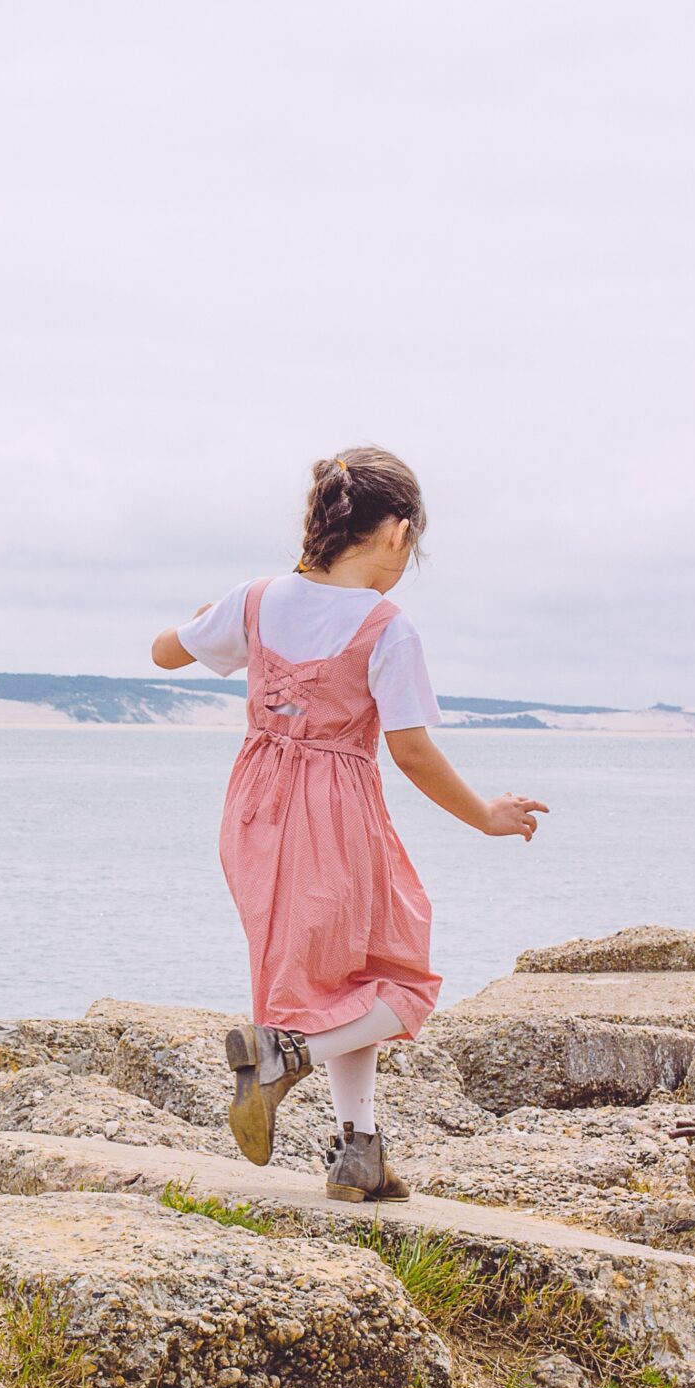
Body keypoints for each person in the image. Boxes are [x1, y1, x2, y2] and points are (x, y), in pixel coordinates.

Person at [150, 446, 547, 1202]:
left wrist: (203, 619)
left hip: (254, 814)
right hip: (335, 817)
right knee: (405, 979)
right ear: (397, 532)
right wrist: (485, 816)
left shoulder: (256, 600)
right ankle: (285, 1056)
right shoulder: (386, 627)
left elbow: (164, 653)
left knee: (342, 981)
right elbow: (412, 751)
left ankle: (358, 1151)